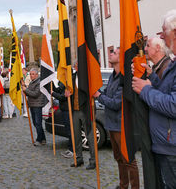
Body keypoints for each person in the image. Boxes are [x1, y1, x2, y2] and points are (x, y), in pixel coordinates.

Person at [132, 10, 176, 188]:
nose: (163, 39)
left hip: (171, 148)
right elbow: (167, 91)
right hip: (166, 145)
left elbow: (173, 105)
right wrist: (154, 79)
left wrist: (146, 90)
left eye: (164, 33)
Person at [94, 48, 139, 189]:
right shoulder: (113, 75)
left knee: (129, 159)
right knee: (119, 158)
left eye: (114, 52)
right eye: (111, 51)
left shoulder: (124, 78)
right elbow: (106, 94)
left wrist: (98, 96)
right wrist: (96, 90)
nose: (111, 53)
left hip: (122, 125)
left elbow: (115, 103)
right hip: (111, 125)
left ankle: (135, 187)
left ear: (121, 58)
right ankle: (123, 185)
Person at [65, 62, 95, 169]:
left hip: (86, 110)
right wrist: (67, 93)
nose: (77, 67)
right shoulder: (72, 77)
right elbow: (68, 91)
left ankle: (93, 160)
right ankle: (79, 159)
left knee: (90, 136)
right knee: (76, 136)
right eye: (76, 65)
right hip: (75, 110)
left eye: (78, 65)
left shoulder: (88, 77)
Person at [22, 68, 46, 146]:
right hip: (32, 104)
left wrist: (26, 90)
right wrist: (24, 86)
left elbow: (35, 94)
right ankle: (43, 139)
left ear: (36, 74)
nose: (31, 76)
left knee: (38, 123)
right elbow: (29, 91)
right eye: (30, 74)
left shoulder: (39, 82)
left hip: (37, 105)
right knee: (35, 123)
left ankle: (39, 140)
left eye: (33, 74)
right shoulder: (33, 82)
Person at [52, 81, 73, 158]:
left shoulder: (69, 81)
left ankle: (72, 150)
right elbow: (59, 90)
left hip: (68, 110)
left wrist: (53, 93)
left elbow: (63, 96)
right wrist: (51, 82)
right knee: (68, 130)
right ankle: (70, 148)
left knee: (70, 131)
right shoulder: (63, 81)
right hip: (64, 109)